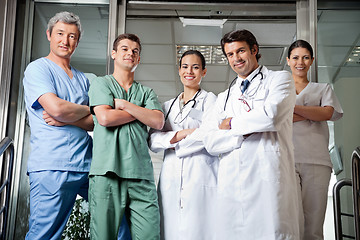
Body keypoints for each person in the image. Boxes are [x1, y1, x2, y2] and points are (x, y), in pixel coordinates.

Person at [201, 29, 300, 239]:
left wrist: (230, 124)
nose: (236, 58)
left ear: (254, 50)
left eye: (241, 51)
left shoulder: (280, 79)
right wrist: (243, 133)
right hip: (232, 184)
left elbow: (271, 117)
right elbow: (210, 141)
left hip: (268, 177)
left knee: (273, 232)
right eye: (230, 54)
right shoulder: (224, 97)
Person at [23, 12, 93, 239]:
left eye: (72, 36)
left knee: (120, 222)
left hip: (88, 165)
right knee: (44, 234)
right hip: (53, 165)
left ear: (78, 41)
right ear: (49, 35)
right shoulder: (38, 69)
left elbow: (97, 120)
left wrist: (81, 113)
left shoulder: (83, 78)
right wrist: (78, 112)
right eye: (60, 34)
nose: (65, 41)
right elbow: (56, 109)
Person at [88, 33, 164, 240]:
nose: (130, 53)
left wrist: (124, 105)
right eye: (124, 49)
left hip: (141, 175)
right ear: (114, 54)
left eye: (135, 51)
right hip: (107, 173)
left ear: (138, 59)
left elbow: (158, 121)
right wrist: (140, 113)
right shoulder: (101, 84)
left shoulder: (147, 92)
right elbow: (104, 117)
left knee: (149, 235)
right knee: (103, 236)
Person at [148, 50, 218, 240]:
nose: (190, 71)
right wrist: (181, 134)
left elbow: (208, 135)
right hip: (170, 177)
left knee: (200, 229)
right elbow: (153, 141)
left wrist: (172, 142)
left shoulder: (211, 101)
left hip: (201, 174)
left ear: (204, 72)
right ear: (179, 71)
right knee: (169, 229)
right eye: (185, 67)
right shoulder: (167, 106)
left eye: (196, 67)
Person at [287, 39, 343, 240]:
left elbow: (328, 113)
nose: (300, 62)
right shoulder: (280, 89)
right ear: (288, 61)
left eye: (305, 57)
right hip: (287, 160)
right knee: (290, 222)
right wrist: (313, 112)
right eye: (295, 57)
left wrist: (292, 110)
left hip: (317, 161)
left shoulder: (323, 88)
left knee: (314, 224)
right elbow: (275, 118)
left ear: (311, 60)